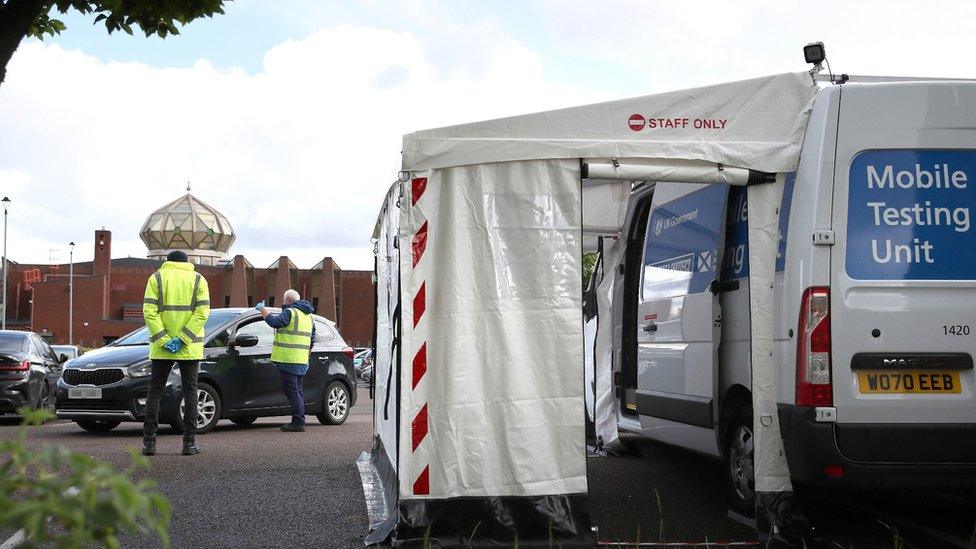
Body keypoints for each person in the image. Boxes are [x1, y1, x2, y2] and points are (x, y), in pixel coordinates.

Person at [141, 250, 210, 456]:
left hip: (162, 348)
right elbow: (202, 313)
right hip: (190, 347)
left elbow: (149, 312)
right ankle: (188, 444)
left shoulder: (156, 278)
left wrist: (164, 339)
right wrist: (183, 339)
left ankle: (149, 444)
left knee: (155, 392)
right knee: (191, 393)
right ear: (187, 262)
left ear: (167, 261)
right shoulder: (199, 280)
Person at [256, 289, 315, 432]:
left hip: (289, 360)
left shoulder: (290, 312)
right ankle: (299, 420)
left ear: (288, 301)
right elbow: (312, 339)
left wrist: (263, 310)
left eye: (283, 300)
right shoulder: (309, 317)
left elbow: (275, 322)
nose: (282, 303)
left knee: (292, 392)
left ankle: (298, 422)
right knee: (298, 391)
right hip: (301, 360)